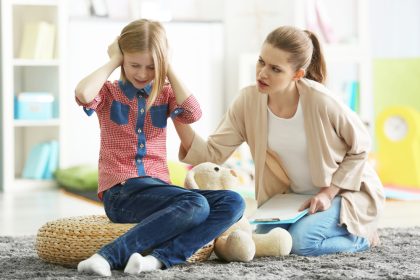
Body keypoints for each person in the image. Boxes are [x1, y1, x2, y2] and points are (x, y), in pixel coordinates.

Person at [175, 25, 385, 257]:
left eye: (275, 69)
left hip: (343, 194)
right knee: (268, 243)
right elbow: (211, 155)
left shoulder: (321, 101)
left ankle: (362, 237)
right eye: (261, 62)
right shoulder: (247, 102)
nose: (262, 73)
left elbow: (361, 148)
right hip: (291, 200)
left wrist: (327, 193)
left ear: (297, 75)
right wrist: (176, 115)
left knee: (301, 243)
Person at [74, 19, 245, 277]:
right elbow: (84, 94)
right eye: (134, 65)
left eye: (152, 67)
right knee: (196, 204)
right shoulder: (108, 92)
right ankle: (106, 257)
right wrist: (112, 60)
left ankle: (156, 260)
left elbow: (193, 112)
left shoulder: (165, 94)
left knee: (233, 202)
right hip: (122, 194)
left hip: (158, 191)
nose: (142, 74)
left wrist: (168, 67)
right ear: (122, 59)